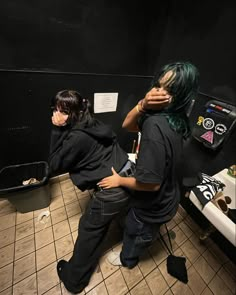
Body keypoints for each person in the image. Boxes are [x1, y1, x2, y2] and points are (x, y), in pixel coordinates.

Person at [98, 61, 200, 269]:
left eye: (168, 90)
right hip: (170, 198)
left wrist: (119, 180)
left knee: (136, 234)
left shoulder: (155, 125)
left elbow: (150, 185)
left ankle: (128, 259)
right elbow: (128, 125)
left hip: (152, 207)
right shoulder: (176, 118)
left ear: (180, 96)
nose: (157, 93)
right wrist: (142, 105)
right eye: (158, 85)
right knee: (144, 230)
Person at [48, 90, 137, 293]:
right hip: (128, 172)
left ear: (74, 113)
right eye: (55, 109)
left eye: (62, 111)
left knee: (89, 230)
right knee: (100, 224)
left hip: (115, 188)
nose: (56, 114)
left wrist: (56, 129)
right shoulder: (90, 121)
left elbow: (53, 164)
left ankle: (74, 280)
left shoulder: (76, 137)